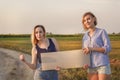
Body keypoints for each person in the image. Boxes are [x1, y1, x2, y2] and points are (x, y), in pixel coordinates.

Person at [82, 12, 111, 80]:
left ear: (94, 19)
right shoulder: (84, 36)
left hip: (102, 65)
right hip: (91, 66)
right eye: (84, 20)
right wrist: (84, 62)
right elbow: (84, 52)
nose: (87, 21)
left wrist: (92, 49)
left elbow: (108, 48)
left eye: (88, 19)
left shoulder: (102, 32)